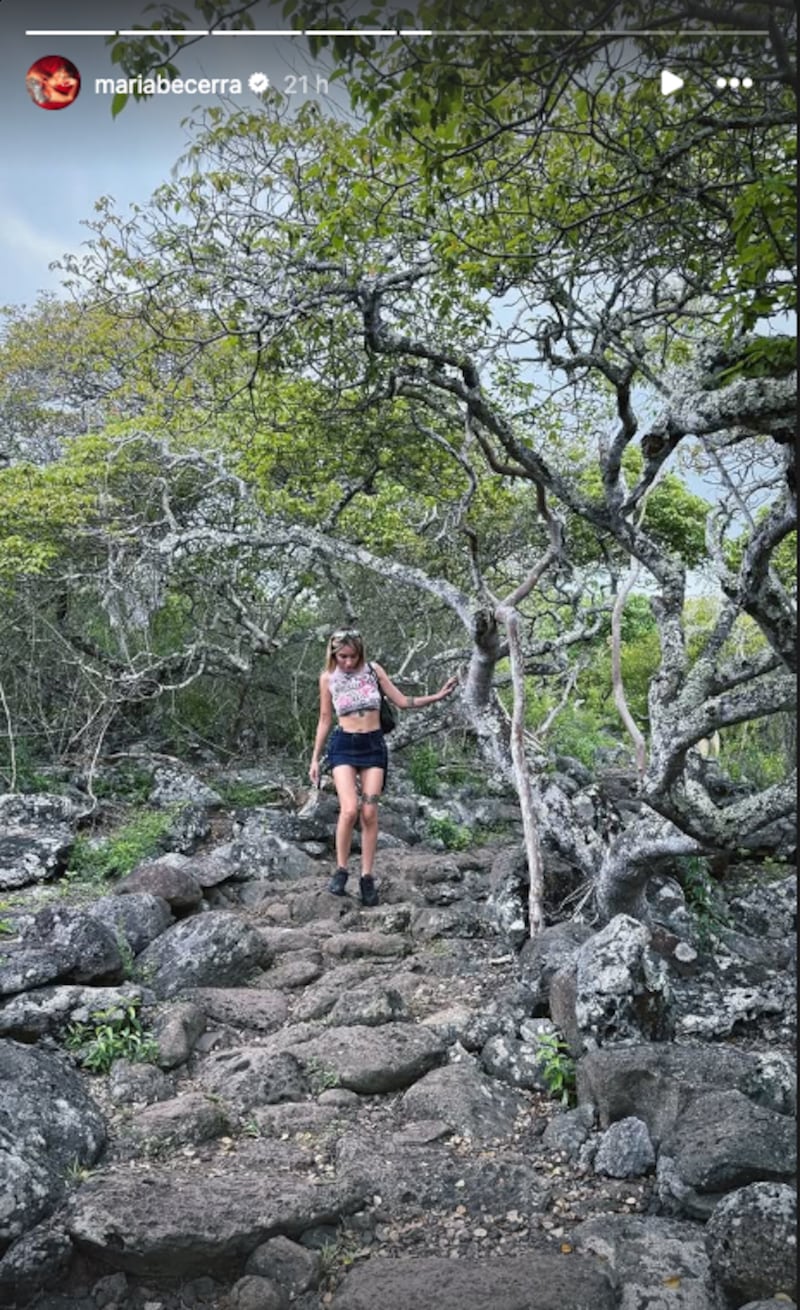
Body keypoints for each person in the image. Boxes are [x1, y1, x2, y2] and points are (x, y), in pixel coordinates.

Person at [309, 629, 458, 906]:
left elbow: (402, 701)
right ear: (333, 654)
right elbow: (325, 719)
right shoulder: (328, 678)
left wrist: (437, 696)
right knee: (349, 809)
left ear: (360, 653)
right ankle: (341, 870)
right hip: (343, 746)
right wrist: (315, 759)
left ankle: (367, 877)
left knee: (369, 811)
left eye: (353, 656)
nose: (348, 662)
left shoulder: (374, 671)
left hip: (373, 747)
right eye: (342, 656)